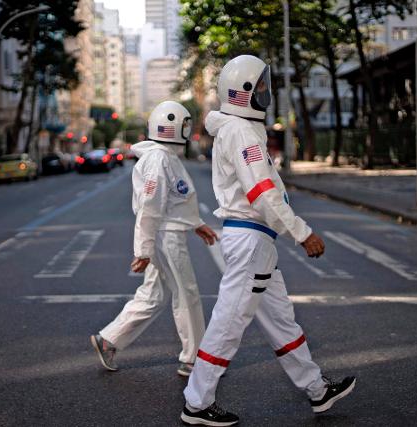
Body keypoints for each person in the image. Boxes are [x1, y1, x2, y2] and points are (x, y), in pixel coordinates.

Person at [181, 55, 356, 426]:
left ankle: (316, 389)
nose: (266, 92)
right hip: (251, 240)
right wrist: (302, 232)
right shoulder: (242, 133)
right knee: (229, 322)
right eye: (260, 87)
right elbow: (262, 193)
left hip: (255, 241)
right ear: (244, 92)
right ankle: (196, 403)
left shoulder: (239, 129)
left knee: (281, 321)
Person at [91, 101, 218, 378]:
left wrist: (196, 223)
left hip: (166, 232)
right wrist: (144, 250)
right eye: (184, 124)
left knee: (154, 294)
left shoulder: (165, 157)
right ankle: (195, 358)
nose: (187, 129)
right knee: (187, 293)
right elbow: (150, 205)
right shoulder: (158, 159)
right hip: (165, 237)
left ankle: (109, 339)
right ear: (172, 125)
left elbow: (175, 199)